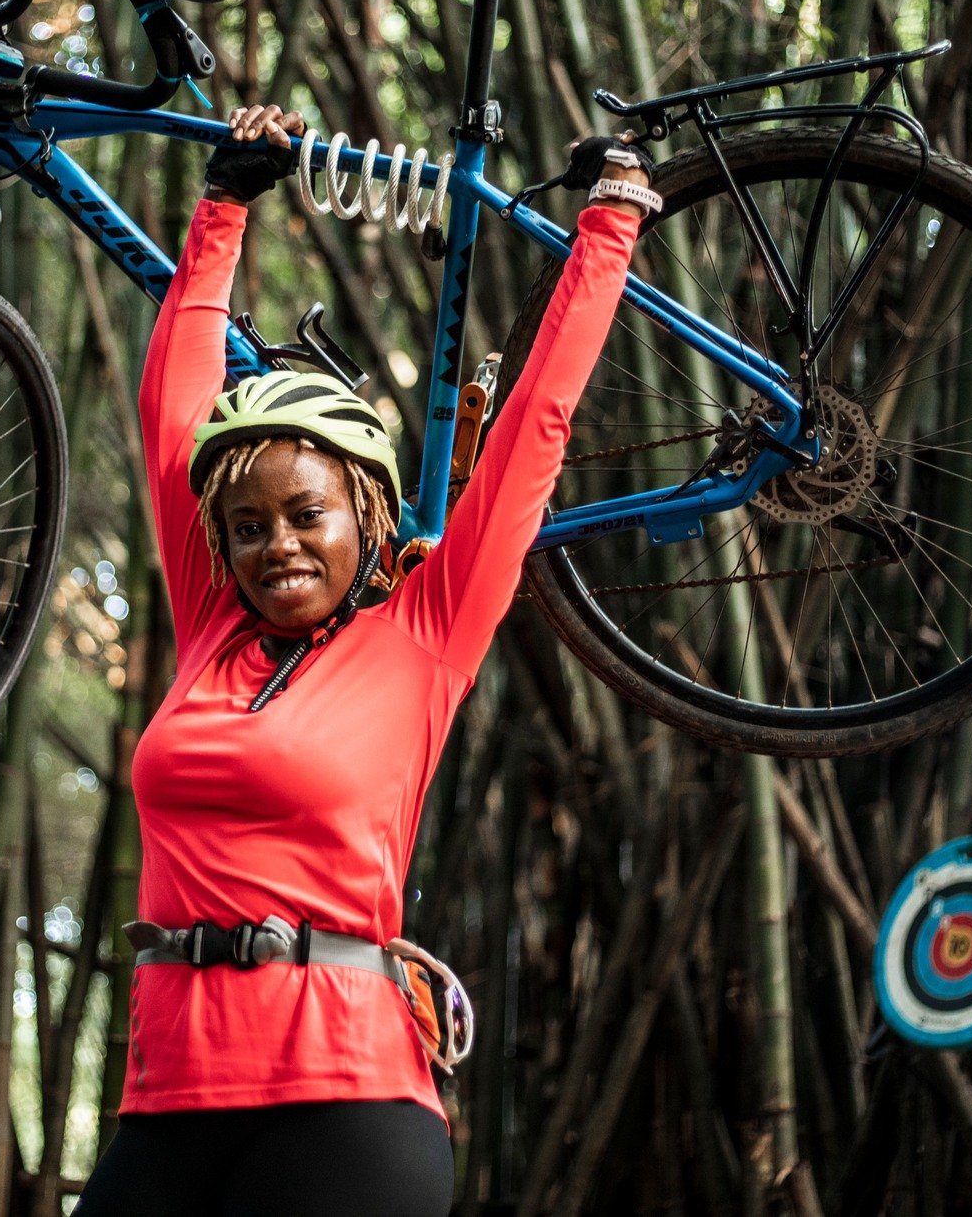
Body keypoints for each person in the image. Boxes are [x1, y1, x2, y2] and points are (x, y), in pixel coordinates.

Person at [72, 103, 659, 1216]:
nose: (275, 545)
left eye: (305, 515)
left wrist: (608, 228)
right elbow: (173, 418)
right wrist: (224, 207)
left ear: (367, 514)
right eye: (247, 528)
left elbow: (534, 426)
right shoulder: (213, 627)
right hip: (166, 1102)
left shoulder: (423, 635)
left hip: (345, 1102)